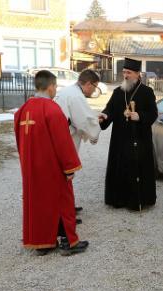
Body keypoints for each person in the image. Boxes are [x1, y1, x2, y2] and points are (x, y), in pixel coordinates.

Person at [14, 70, 89, 256]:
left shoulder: (22, 110)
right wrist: (69, 167)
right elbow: (62, 142)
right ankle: (67, 242)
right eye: (55, 87)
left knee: (39, 204)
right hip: (52, 169)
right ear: (50, 86)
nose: (56, 90)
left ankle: (43, 243)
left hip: (32, 168)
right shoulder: (52, 109)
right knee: (62, 202)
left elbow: (19, 141)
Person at [99, 58, 158, 210]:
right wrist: (104, 117)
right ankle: (119, 200)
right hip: (120, 138)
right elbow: (109, 109)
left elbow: (153, 114)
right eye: (124, 72)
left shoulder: (147, 92)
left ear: (138, 74)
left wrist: (139, 116)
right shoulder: (118, 92)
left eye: (129, 72)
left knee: (138, 168)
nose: (125, 75)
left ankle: (139, 201)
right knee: (121, 168)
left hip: (139, 138)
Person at [55, 70, 102, 216]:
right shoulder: (76, 96)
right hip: (66, 140)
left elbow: (79, 115)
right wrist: (95, 134)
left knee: (64, 175)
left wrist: (94, 116)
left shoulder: (69, 91)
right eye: (95, 86)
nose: (95, 90)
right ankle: (64, 212)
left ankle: (66, 206)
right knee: (65, 175)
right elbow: (84, 121)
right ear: (88, 84)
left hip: (61, 138)